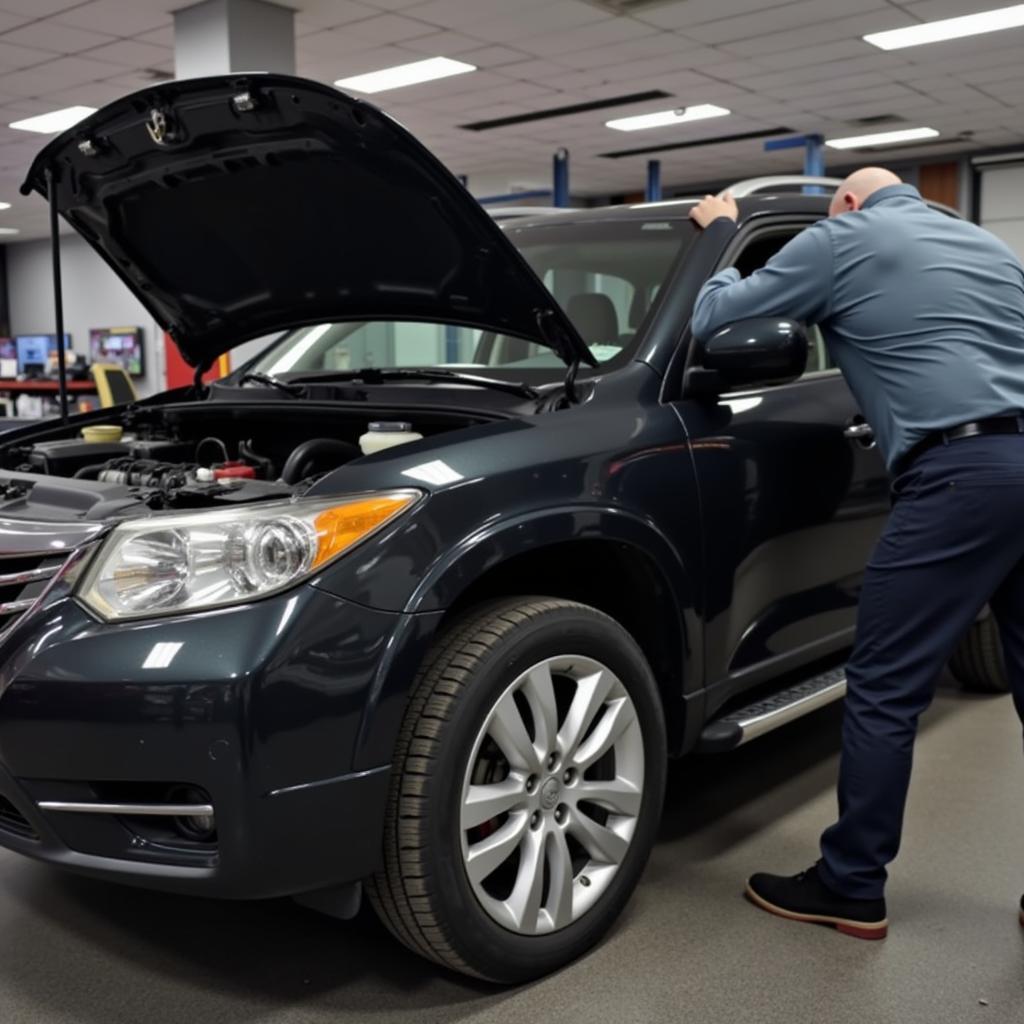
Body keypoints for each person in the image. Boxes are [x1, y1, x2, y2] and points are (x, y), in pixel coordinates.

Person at [688, 167, 1024, 940]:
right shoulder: (988, 246)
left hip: (959, 479)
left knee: (882, 685)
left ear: (845, 201)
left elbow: (718, 320)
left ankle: (849, 884)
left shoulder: (842, 237)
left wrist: (718, 232)